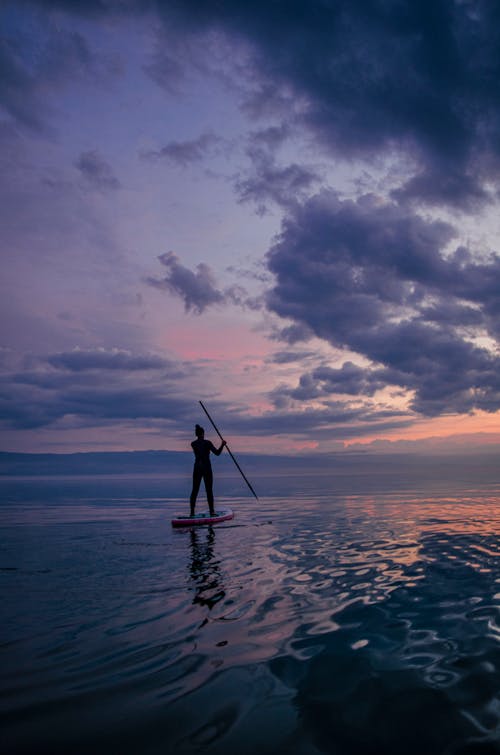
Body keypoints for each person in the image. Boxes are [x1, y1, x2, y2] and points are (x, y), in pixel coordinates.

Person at [190, 424, 226, 516]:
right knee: (209, 490)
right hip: (206, 468)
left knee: (195, 490)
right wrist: (222, 445)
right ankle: (212, 511)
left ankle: (192, 512)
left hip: (197, 468)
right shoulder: (207, 443)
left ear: (196, 434)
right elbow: (217, 453)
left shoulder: (193, 444)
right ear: (203, 433)